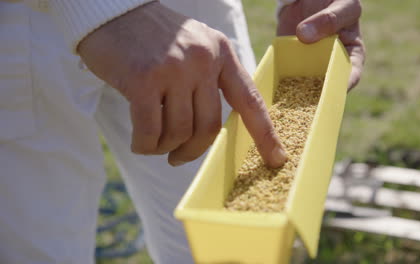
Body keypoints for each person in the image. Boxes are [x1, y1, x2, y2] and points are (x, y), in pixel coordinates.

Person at [0, 0, 364, 263]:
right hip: (20, 24)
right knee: (43, 248)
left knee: (230, 245)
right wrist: (107, 8)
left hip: (194, 18)